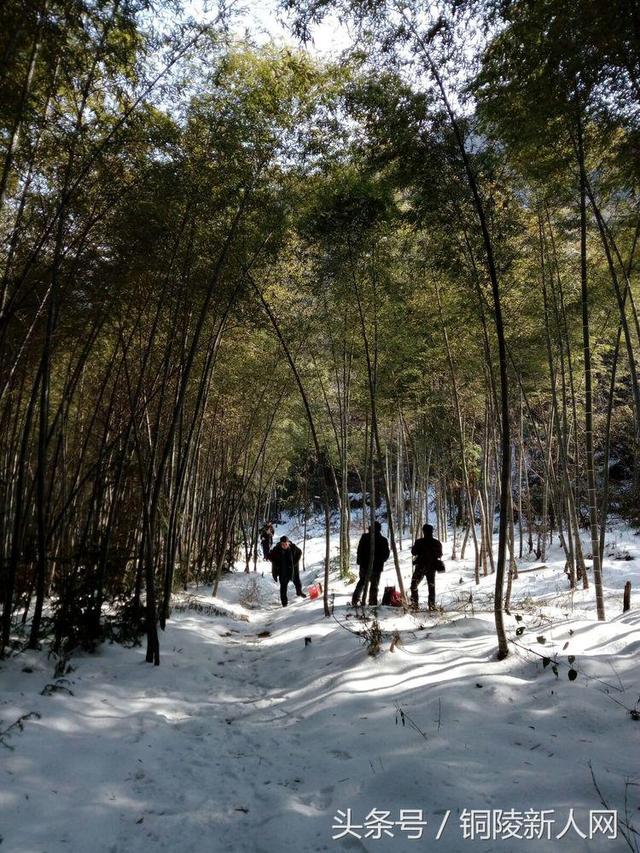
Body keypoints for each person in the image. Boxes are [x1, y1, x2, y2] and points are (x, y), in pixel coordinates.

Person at [351, 521, 390, 607]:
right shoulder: (383, 540)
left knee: (362, 582)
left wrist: (360, 561)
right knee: (374, 585)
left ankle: (355, 600)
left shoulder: (365, 537)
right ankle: (372, 604)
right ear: (379, 529)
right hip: (376, 567)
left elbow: (359, 550)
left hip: (365, 566)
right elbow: (386, 555)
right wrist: (380, 561)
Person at [410, 523, 443, 611]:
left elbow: (413, 552)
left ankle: (414, 605)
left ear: (423, 531)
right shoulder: (436, 542)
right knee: (431, 587)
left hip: (420, 567)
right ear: (432, 531)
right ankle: (431, 606)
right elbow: (440, 554)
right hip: (431, 568)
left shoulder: (419, 542)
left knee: (414, 585)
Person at [269, 535, 306, 607]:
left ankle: (299, 592)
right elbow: (270, 556)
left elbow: (300, 552)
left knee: (297, 581)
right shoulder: (276, 549)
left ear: (288, 543)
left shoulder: (293, 547)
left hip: (293, 569)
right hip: (283, 570)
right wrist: (275, 564)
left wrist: (295, 562)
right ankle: (284, 603)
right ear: (280, 544)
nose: (284, 546)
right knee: (283, 587)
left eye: (286, 544)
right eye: (283, 544)